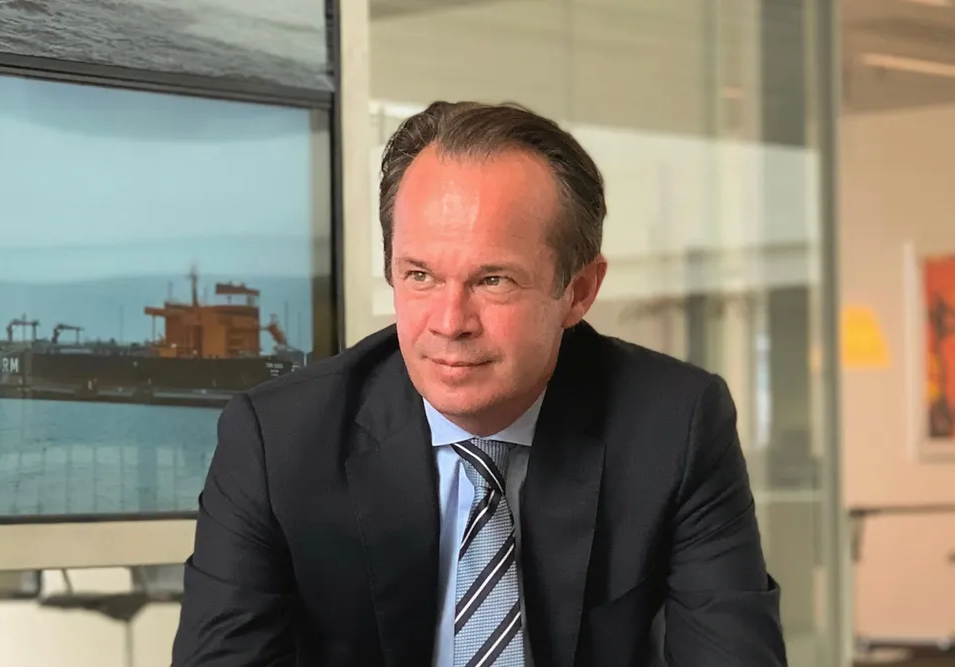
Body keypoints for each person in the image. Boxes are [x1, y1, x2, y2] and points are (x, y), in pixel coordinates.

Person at [171, 101, 787, 667]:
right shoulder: (277, 440)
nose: (449, 323)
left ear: (578, 291)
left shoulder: (674, 425)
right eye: (420, 275)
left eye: (493, 281)